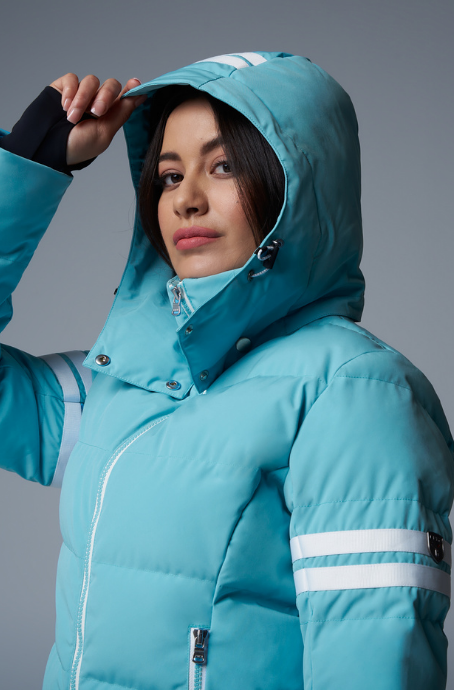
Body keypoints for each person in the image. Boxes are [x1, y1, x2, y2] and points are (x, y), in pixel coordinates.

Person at [0, 51, 452, 690]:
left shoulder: (354, 391)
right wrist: (32, 162)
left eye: (223, 167)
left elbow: (374, 663)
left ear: (298, 185)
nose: (185, 199)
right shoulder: (125, 383)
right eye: (168, 175)